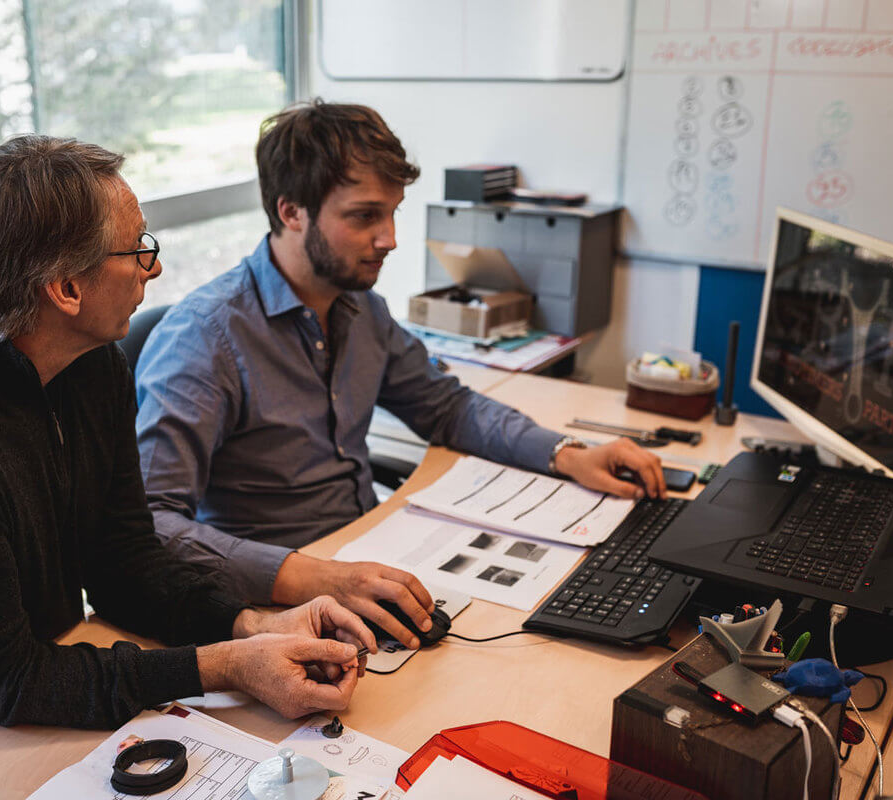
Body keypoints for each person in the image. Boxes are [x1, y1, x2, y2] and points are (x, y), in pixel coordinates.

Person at [0, 135, 374, 800]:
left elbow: (124, 561)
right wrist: (226, 668)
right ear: (66, 289)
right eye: (138, 250)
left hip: (4, 697)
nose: (151, 271)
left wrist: (250, 625)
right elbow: (4, 679)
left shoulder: (91, 364)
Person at [134, 100, 665, 648]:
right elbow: (151, 525)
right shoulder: (204, 337)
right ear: (291, 212)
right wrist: (314, 576)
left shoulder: (363, 309)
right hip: (275, 609)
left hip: (367, 559)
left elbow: (448, 407)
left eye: (394, 212)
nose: (389, 238)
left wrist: (568, 453)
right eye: (364, 216)